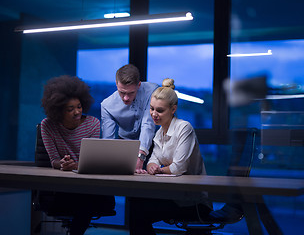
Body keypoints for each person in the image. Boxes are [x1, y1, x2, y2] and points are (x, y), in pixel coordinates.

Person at [129, 78, 212, 235]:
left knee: (139, 210)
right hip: (174, 196)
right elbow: (152, 159)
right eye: (152, 109)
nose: (154, 114)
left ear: (173, 109)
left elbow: (178, 168)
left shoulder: (184, 128)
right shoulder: (159, 133)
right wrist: (151, 165)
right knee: (135, 203)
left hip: (194, 202)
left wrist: (158, 169)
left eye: (160, 110)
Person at [41, 75, 115, 235]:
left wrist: (76, 165)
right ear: (58, 110)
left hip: (89, 187)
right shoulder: (47, 126)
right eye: (70, 109)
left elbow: (91, 160)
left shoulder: (93, 124)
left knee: (86, 201)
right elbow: (53, 159)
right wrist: (61, 164)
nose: (77, 112)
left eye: (79, 106)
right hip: (64, 188)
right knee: (84, 203)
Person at [101, 64, 158, 173]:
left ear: (139, 85)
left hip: (152, 147)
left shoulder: (152, 90)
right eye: (122, 92)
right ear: (116, 84)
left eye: (131, 93)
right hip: (124, 148)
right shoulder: (107, 105)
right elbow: (108, 140)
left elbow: (148, 124)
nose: (126, 98)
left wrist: (140, 156)